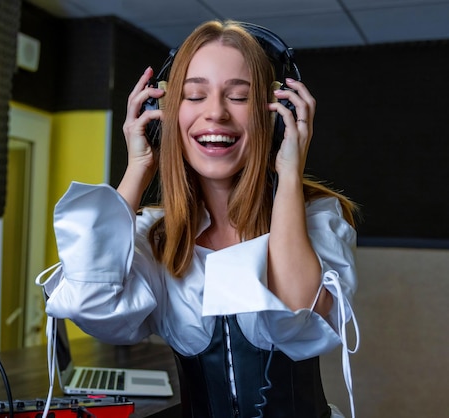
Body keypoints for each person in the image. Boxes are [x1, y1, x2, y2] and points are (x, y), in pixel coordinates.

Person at [38, 19, 359, 418]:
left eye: (239, 97)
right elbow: (92, 304)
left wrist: (290, 172)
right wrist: (139, 165)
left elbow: (299, 314)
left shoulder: (316, 220)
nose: (216, 113)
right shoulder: (154, 237)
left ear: (275, 117)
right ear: (164, 113)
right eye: (194, 95)